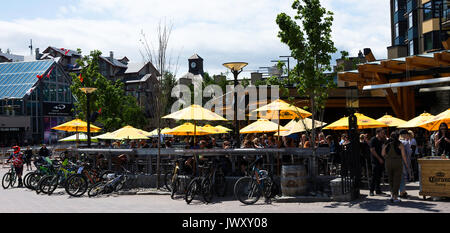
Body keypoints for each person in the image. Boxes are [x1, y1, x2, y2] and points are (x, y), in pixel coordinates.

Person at [382, 131, 410, 203]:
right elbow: (404, 156)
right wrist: (407, 165)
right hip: (397, 162)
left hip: (388, 162)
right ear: (398, 137)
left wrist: (387, 158)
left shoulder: (386, 144)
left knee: (390, 179)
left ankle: (392, 195)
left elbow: (383, 154)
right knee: (397, 180)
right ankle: (395, 197)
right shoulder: (400, 144)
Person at [369, 128, 387, 196]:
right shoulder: (373, 139)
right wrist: (379, 158)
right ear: (378, 133)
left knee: (379, 176)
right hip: (375, 160)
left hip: (381, 160)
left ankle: (378, 190)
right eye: (382, 133)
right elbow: (372, 150)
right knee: (374, 176)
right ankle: (371, 190)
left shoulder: (382, 140)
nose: (383, 134)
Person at [399, 129, 413, 198]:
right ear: (404, 135)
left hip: (396, 161)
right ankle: (402, 192)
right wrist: (411, 149)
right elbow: (409, 153)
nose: (408, 136)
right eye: (407, 134)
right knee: (403, 178)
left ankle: (402, 191)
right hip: (404, 162)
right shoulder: (406, 143)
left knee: (399, 177)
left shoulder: (396, 142)